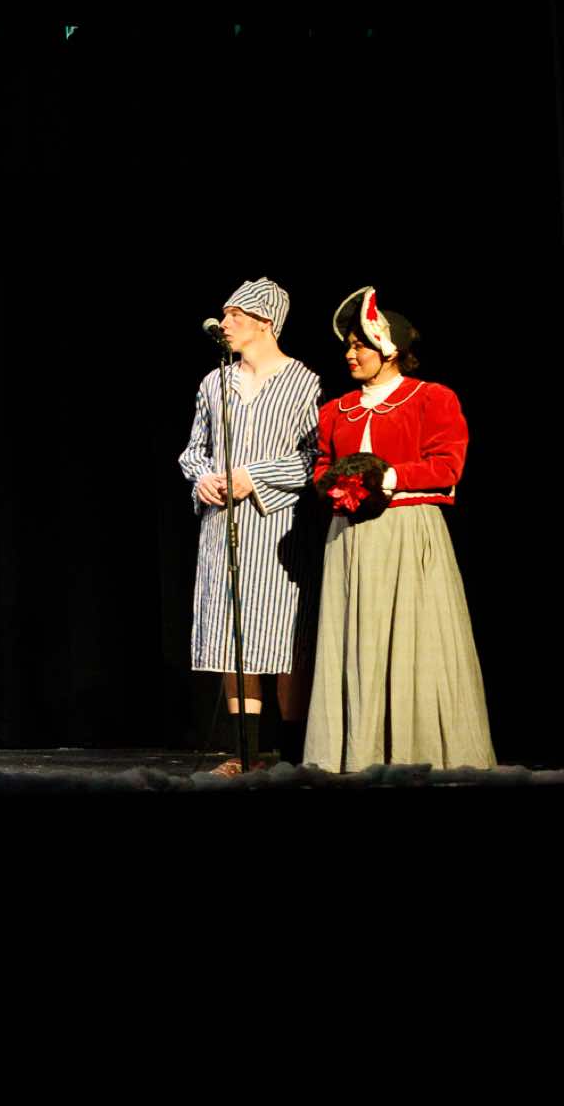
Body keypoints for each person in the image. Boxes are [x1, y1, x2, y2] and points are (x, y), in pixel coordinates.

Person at [302, 288, 493, 771]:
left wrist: (387, 476)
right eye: (348, 346)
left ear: (389, 349)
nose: (350, 354)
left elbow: (447, 465)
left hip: (407, 529)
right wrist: (333, 483)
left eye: (359, 345)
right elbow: (322, 465)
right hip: (350, 537)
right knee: (356, 640)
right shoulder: (336, 410)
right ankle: (356, 751)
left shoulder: (431, 398)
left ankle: (417, 748)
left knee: (415, 638)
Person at [174, 277, 322, 773]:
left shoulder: (304, 382)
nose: (225, 323)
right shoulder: (214, 383)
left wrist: (253, 477)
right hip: (223, 526)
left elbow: (314, 459)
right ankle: (245, 751)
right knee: (234, 635)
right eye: (224, 314)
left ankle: (293, 753)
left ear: (265, 322)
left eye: (235, 315)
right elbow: (193, 451)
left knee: (281, 637)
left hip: (277, 526)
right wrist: (203, 479)